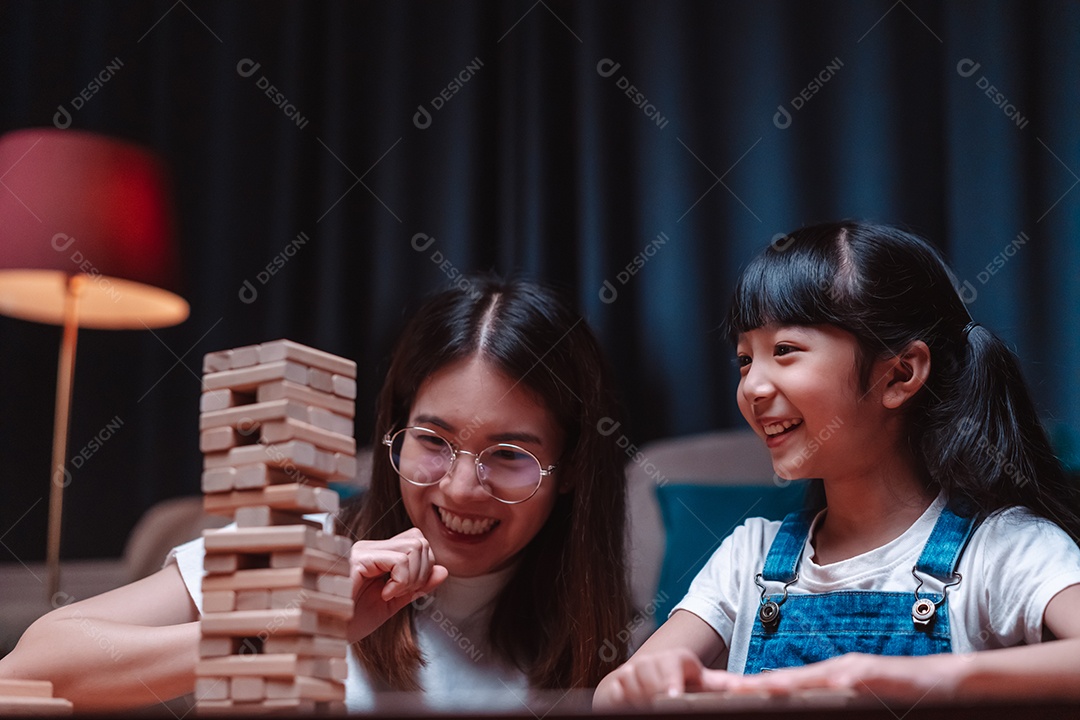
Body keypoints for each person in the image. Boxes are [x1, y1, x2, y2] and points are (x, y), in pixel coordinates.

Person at [0, 277, 631, 712]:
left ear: (570, 466)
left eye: (511, 455)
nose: (462, 488)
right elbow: (31, 666)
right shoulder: (295, 550)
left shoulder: (612, 646)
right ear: (395, 433)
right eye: (433, 440)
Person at [594, 221, 1080, 709]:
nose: (752, 388)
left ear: (899, 374)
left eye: (784, 350)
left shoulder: (1002, 549)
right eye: (745, 359)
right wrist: (648, 679)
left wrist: (907, 679)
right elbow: (609, 699)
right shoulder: (749, 556)